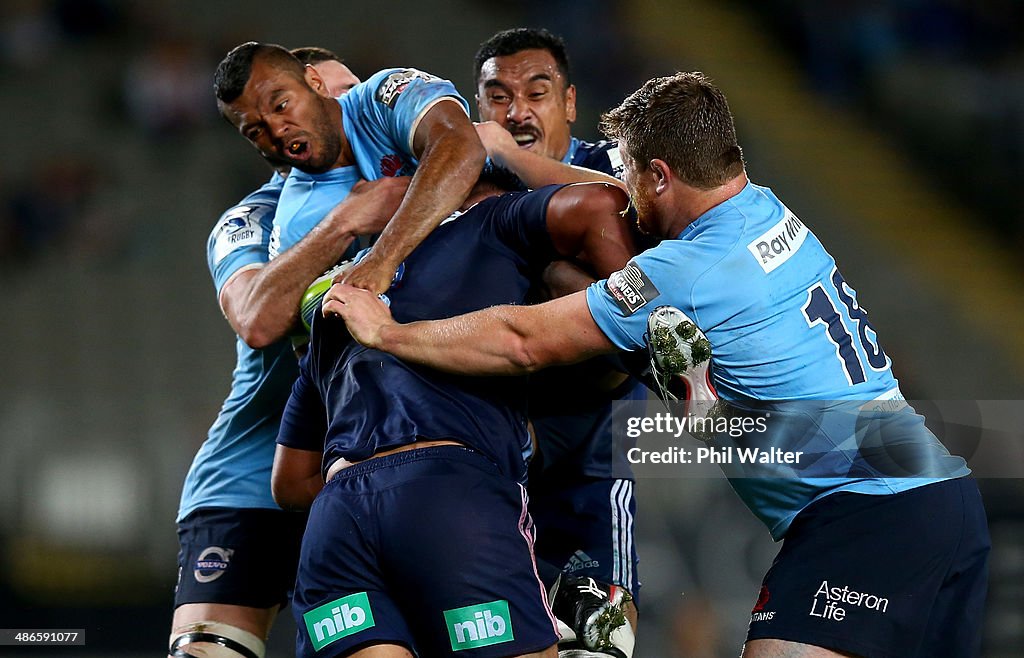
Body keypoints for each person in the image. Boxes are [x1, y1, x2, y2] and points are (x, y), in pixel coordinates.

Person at [326, 72, 990, 658]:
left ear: (661, 175)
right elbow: (620, 194)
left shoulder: (681, 273)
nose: (625, 192)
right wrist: (506, 155)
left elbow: (520, 339)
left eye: (635, 173)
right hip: (943, 499)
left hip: (865, 516)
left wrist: (389, 331)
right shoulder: (764, 210)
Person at [272, 174, 635, 658]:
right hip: (448, 493)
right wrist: (642, 315)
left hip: (336, 520)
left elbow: (290, 483)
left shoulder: (341, 298)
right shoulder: (492, 219)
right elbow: (599, 202)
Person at [168, 50, 409, 658]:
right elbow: (253, 317)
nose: (361, 109)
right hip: (250, 479)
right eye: (345, 93)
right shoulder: (253, 218)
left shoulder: (418, 198)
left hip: (367, 477)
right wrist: (342, 225)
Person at [473, 28, 644, 656]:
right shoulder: (459, 187)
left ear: (569, 103)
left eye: (536, 93)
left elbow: (657, 270)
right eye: (498, 96)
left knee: (601, 645)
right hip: (490, 461)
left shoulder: (613, 172)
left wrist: (523, 170)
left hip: (590, 464)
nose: (517, 111)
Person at [214, 41, 486, 296]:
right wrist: (343, 225)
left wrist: (383, 258)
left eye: (282, 105)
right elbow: (291, 337)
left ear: (315, 83)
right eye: (255, 130)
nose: (276, 129)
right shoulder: (294, 220)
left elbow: (460, 146)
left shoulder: (382, 98)